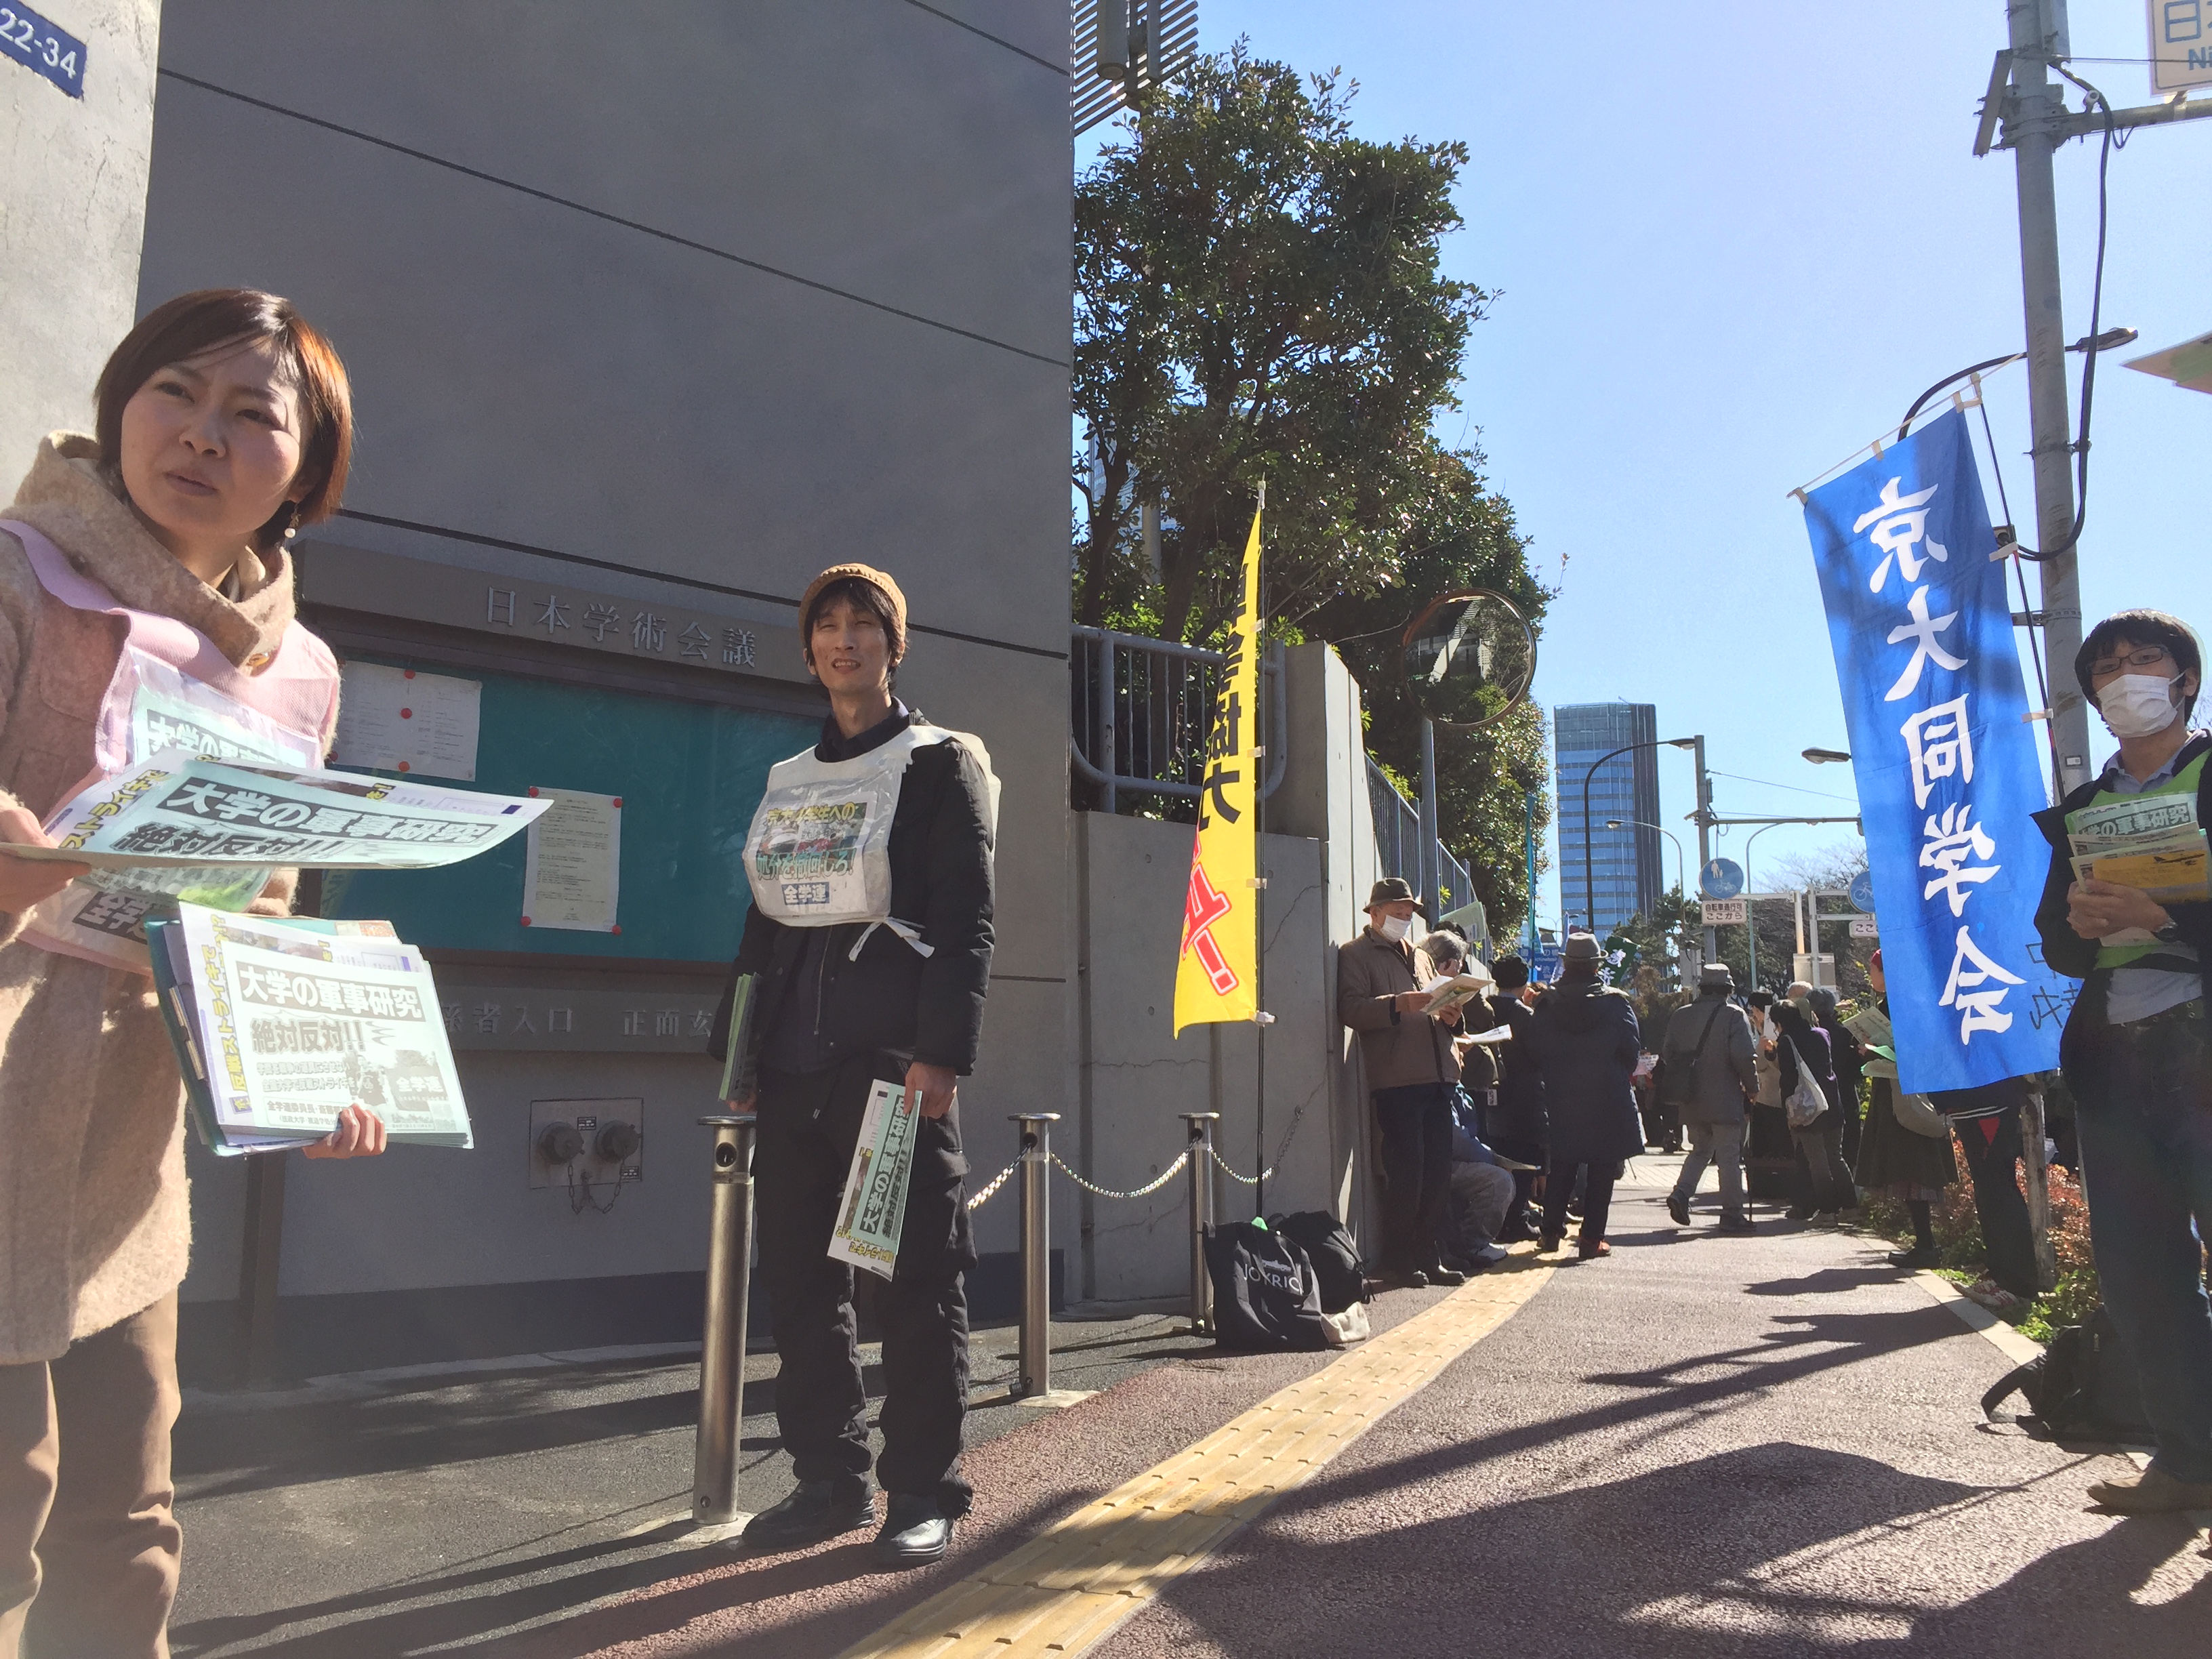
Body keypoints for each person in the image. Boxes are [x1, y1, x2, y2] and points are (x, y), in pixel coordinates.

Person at [0, 289, 390, 1658]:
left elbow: (254, 915)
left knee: (124, 1531)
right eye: (174, 390)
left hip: (123, 1169)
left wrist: (300, 1072)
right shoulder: (18, 573)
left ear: (308, 469)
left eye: (251, 413)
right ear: (121, 403)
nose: (202, 434)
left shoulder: (300, 673)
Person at [720, 562, 996, 1565]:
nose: (845, 640)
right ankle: (828, 1479)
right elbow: (763, 927)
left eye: (863, 625)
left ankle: (923, 1488)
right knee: (800, 1285)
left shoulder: (938, 765)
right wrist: (741, 1055)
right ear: (809, 652)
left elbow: (967, 922)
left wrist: (940, 1056)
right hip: (794, 1067)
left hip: (891, 1069)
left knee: (914, 1280)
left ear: (894, 644)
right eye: (828, 626)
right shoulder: (792, 779)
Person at [2032, 608, 2212, 1513]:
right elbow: (2059, 945)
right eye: (2108, 668)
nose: (2127, 676)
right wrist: (2076, 922)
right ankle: (2189, 1461)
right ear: (2094, 697)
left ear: (2185, 679)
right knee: (2142, 1275)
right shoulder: (2082, 811)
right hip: (2114, 1066)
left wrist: (2166, 916)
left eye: (2146, 659)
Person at [1338, 878, 1468, 1288]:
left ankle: (1429, 1255)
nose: (1404, 919)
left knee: (1437, 1173)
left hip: (1439, 1076)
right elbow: (1351, 1009)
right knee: (1406, 1172)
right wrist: (1397, 1004)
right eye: (1397, 913)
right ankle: (1399, 1259)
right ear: (1374, 913)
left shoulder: (1421, 956)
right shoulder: (1355, 954)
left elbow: (1438, 1006)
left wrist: (1453, 1017)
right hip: (1397, 1080)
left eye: (1408, 914)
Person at [1528, 933, 1644, 1258]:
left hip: (1561, 1095)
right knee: (1602, 1168)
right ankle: (1592, 1239)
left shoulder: (1547, 1004)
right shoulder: (1616, 1003)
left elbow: (1534, 1051)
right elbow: (1631, 1051)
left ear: (1566, 964)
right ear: (1596, 966)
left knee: (1563, 1163)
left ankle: (1550, 1232)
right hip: (1607, 1096)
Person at [1850, 949, 1959, 1269]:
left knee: (1911, 1169)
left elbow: (1907, 1050)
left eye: (1875, 970)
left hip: (1903, 1098)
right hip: (1914, 1094)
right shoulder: (1919, 1002)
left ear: (1887, 974)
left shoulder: (1896, 1007)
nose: (1872, 976)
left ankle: (1926, 1245)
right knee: (1915, 1171)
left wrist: (1872, 1050)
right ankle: (1926, 1244)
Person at [1661, 963, 1759, 1232]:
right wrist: (1753, 1087)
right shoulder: (1733, 1015)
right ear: (1727, 990)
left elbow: (1668, 1054)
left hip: (1690, 1096)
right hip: (1725, 1096)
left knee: (1700, 1149)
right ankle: (1731, 1214)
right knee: (1729, 1157)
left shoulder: (1680, 1015)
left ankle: (1681, 1193)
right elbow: (1743, 1056)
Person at [1927, 1076, 2039, 1304]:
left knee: (1999, 1190)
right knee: (1989, 1192)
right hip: (1970, 1103)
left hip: (1987, 1102)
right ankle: (2000, 1275)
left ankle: (2018, 1284)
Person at [1775, 985, 1856, 1221]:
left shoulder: (1787, 1041)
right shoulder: (1823, 1034)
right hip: (1832, 1101)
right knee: (1836, 1157)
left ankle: (1828, 1210)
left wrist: (1788, 1111)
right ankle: (1851, 1208)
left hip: (1807, 1106)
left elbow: (1788, 1079)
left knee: (1817, 1161)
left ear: (1780, 1022)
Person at [1481, 956, 1547, 1242]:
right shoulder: (1525, 1016)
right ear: (1524, 981)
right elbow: (1541, 1056)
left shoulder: (1485, 1009)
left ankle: (1498, 1221)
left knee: (1496, 1156)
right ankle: (1516, 1219)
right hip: (1524, 1097)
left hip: (1489, 1094)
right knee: (1524, 1160)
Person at [1809, 985, 1866, 1168]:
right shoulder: (1844, 1033)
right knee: (1847, 1152)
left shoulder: (1808, 1035)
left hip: (1815, 1097)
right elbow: (1859, 1069)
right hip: (1845, 1095)